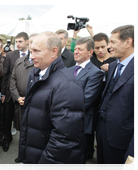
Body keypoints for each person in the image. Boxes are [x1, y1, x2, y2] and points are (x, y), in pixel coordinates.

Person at [17, 31, 85, 170]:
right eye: (31, 51)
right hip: (37, 155)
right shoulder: (36, 73)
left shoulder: (66, 85)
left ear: (54, 51)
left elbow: (65, 137)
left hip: (50, 162)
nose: (32, 56)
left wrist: (44, 164)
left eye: (36, 51)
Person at [96, 25, 136, 170]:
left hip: (123, 139)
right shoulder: (112, 66)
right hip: (102, 133)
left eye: (113, 42)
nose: (109, 46)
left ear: (128, 42)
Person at [69, 37, 104, 169]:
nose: (76, 51)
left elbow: (86, 100)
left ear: (90, 53)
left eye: (80, 49)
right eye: (75, 49)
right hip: (65, 119)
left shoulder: (95, 73)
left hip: (80, 121)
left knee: (78, 158)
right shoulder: (69, 69)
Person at [2, 32, 29, 152]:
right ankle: (7, 139)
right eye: (16, 41)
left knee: (24, 120)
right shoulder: (10, 55)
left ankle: (24, 144)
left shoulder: (32, 55)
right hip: (9, 93)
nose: (17, 44)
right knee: (7, 118)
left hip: (24, 95)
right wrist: (3, 93)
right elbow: (6, 75)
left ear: (27, 41)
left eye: (20, 41)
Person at [10, 33, 37, 132]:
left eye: (36, 42)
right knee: (22, 133)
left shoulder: (43, 63)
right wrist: (17, 97)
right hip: (20, 104)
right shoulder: (19, 61)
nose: (33, 45)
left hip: (35, 107)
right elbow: (12, 80)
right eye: (31, 42)